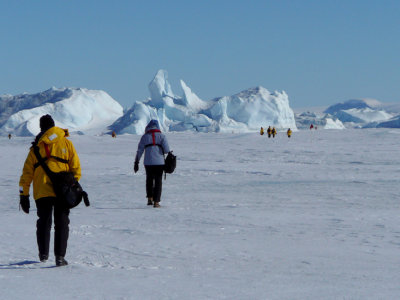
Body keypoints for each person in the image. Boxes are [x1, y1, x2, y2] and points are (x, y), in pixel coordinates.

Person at [19, 115, 81, 266]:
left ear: (41, 128)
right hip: (63, 191)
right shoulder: (67, 143)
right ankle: (59, 257)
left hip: (42, 191)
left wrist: (23, 195)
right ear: (54, 126)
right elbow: (76, 168)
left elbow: (26, 174)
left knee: (44, 222)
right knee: (62, 222)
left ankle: (43, 254)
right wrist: (71, 185)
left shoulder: (35, 148)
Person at [134, 120, 170, 208]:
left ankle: (149, 198)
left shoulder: (144, 137)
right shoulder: (162, 136)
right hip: (159, 163)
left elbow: (140, 150)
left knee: (149, 180)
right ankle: (156, 202)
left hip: (148, 162)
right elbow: (167, 150)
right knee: (158, 182)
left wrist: (136, 162)